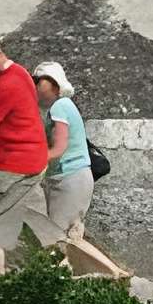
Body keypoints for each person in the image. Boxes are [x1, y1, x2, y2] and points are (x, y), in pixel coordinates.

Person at [0, 32, 64, 273]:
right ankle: (54, 274)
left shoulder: (6, 84)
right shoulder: (21, 72)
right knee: (35, 224)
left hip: (14, 166)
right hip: (34, 162)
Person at [32, 60, 94, 240]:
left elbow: (59, 148)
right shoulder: (63, 105)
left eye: (38, 80)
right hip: (72, 178)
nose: (34, 84)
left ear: (53, 82)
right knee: (70, 237)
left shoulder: (60, 106)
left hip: (69, 178)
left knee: (57, 240)